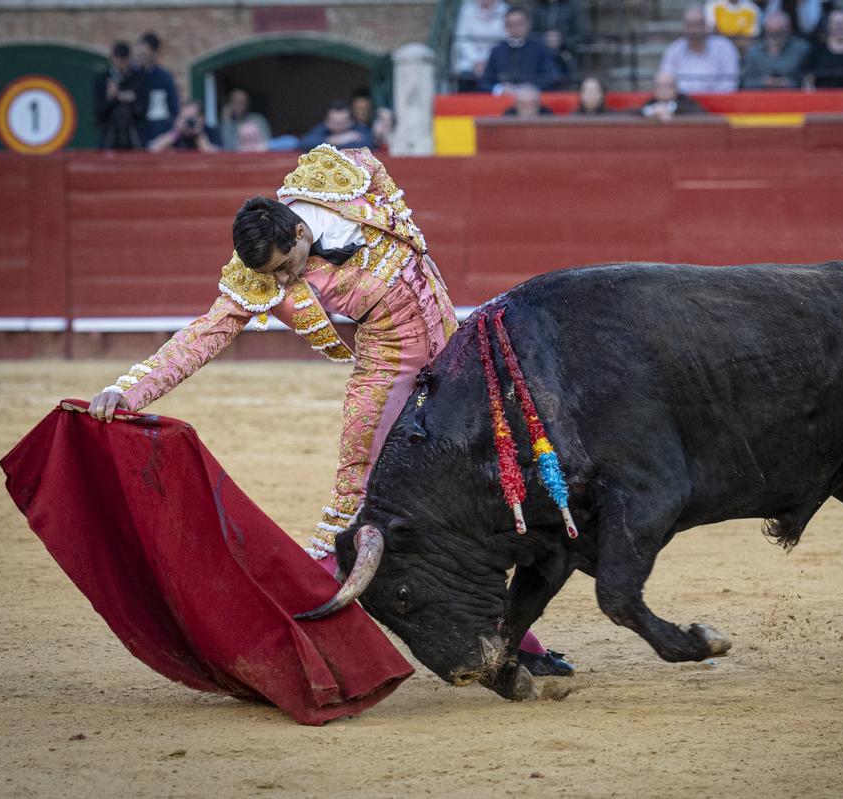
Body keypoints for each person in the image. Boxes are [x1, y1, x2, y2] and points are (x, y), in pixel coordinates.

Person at [86, 145, 574, 677]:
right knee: (355, 509)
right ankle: (290, 642)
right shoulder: (260, 276)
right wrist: (129, 391)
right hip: (387, 373)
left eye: (285, 268)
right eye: (272, 277)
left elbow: (374, 167)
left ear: (299, 232)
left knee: (499, 486)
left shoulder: (341, 180)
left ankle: (520, 640)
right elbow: (203, 335)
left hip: (456, 355)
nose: (282, 283)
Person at [659, 5, 741, 94]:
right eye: (690, 25)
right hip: (682, 103)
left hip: (718, 102)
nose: (694, 30)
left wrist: (709, 100)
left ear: (706, 26)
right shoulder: (674, 50)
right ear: (684, 27)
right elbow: (665, 81)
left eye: (698, 25)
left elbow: (729, 82)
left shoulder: (724, 47)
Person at [479, 6, 562, 92]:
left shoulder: (540, 49)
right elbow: (485, 82)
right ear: (505, 27)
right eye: (510, 25)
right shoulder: (497, 51)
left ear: (528, 24)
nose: (515, 28)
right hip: (502, 99)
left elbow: (551, 77)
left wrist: (528, 89)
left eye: (519, 24)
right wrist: (500, 89)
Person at [94, 40, 146, 150]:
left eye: (123, 58)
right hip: (109, 136)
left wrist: (127, 98)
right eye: (117, 57)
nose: (120, 62)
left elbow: (142, 109)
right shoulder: (102, 80)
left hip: (133, 136)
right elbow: (99, 111)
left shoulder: (138, 78)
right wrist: (111, 97)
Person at [741, 11, 811, 89]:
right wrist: (763, 82)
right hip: (761, 97)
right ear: (765, 30)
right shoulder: (754, 52)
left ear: (788, 29)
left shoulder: (801, 49)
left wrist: (789, 83)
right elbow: (746, 82)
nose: (775, 37)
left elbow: (808, 81)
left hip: (792, 96)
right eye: (771, 33)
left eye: (779, 32)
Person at [453, 0, 510, 92]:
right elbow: (462, 38)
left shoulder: (505, 10)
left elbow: (505, 38)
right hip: (470, 60)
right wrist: (477, 60)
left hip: (496, 60)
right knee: (465, 77)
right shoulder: (467, 10)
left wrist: (487, 62)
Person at [134, 32, 180, 145]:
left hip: (158, 128)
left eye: (145, 54)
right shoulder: (133, 75)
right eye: (140, 54)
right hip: (136, 128)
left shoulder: (163, 77)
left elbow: (173, 105)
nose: (142, 57)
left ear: (154, 54)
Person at [802, 10, 843, 89]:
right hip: (822, 96)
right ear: (828, 26)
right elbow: (807, 76)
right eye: (836, 23)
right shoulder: (817, 50)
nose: (840, 25)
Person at [532, 0, 590, 84]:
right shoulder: (537, 7)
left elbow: (582, 35)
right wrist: (544, 39)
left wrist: (561, 40)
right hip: (542, 57)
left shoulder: (573, 6)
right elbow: (531, 34)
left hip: (567, 56)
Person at [299, 98, 373, 151]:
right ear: (327, 121)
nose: (338, 127)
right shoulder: (323, 128)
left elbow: (369, 144)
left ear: (351, 121)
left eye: (342, 123)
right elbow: (304, 143)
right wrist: (337, 139)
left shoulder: (359, 129)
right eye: (335, 123)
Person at [149, 100, 221, 153]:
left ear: (202, 119)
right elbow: (152, 150)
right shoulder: (173, 131)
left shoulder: (210, 131)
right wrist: (175, 133)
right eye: (184, 118)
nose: (187, 123)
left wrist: (199, 137)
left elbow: (218, 155)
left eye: (191, 118)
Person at [637, 71, 709, 119]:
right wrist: (651, 111)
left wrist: (671, 111)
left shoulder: (684, 100)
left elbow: (703, 114)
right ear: (654, 89)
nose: (664, 90)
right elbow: (630, 112)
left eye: (668, 86)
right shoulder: (652, 102)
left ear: (676, 88)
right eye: (660, 86)